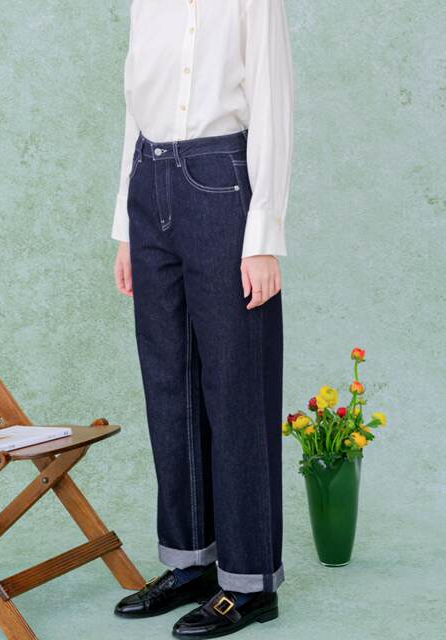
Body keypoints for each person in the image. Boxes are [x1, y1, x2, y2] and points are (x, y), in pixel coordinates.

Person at [112, 0, 294, 637]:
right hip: (149, 180)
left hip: (221, 180)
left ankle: (249, 582)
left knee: (236, 386)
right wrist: (125, 226)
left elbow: (272, 104)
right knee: (170, 385)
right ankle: (191, 562)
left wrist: (264, 235)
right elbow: (135, 103)